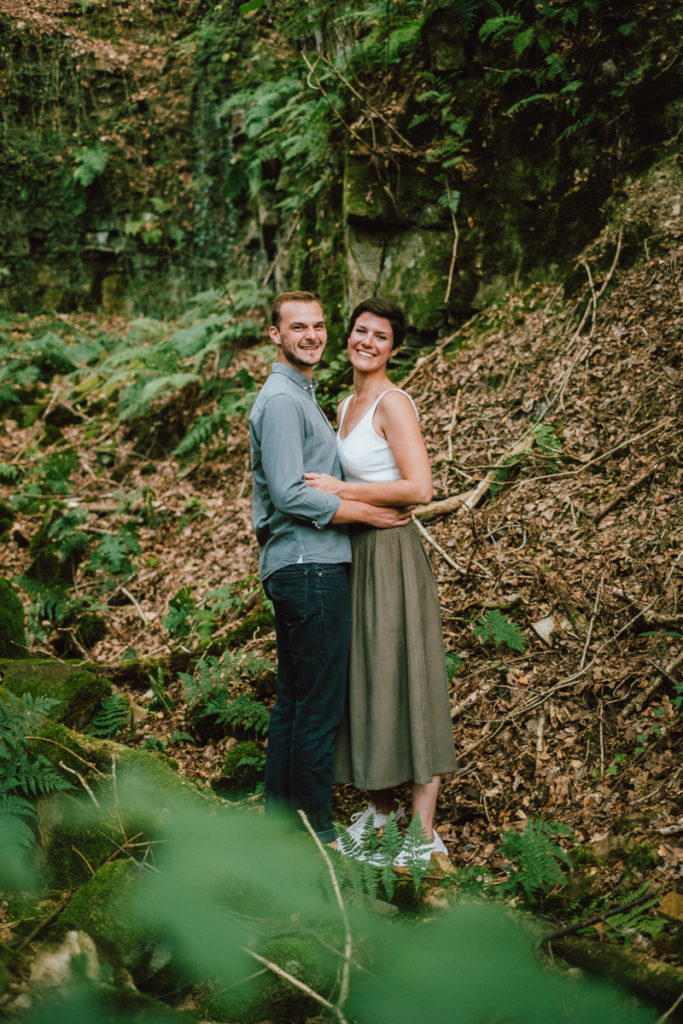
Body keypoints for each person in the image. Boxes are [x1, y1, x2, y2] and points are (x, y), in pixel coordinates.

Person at [248, 291, 410, 847]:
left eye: (317, 325)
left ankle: (279, 833)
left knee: (294, 703)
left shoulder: (302, 396)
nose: (311, 335)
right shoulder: (283, 402)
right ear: (275, 335)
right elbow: (291, 492)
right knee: (316, 709)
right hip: (310, 567)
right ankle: (319, 838)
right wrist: (365, 510)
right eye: (298, 327)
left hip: (302, 566)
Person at [305, 297, 457, 862]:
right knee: (365, 678)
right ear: (347, 338)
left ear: (394, 348)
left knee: (409, 673)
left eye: (380, 336)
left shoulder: (393, 403)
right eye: (360, 331)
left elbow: (420, 488)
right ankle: (381, 812)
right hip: (355, 554)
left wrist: (343, 490)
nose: (366, 342)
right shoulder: (345, 403)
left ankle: (422, 831)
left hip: (392, 553)